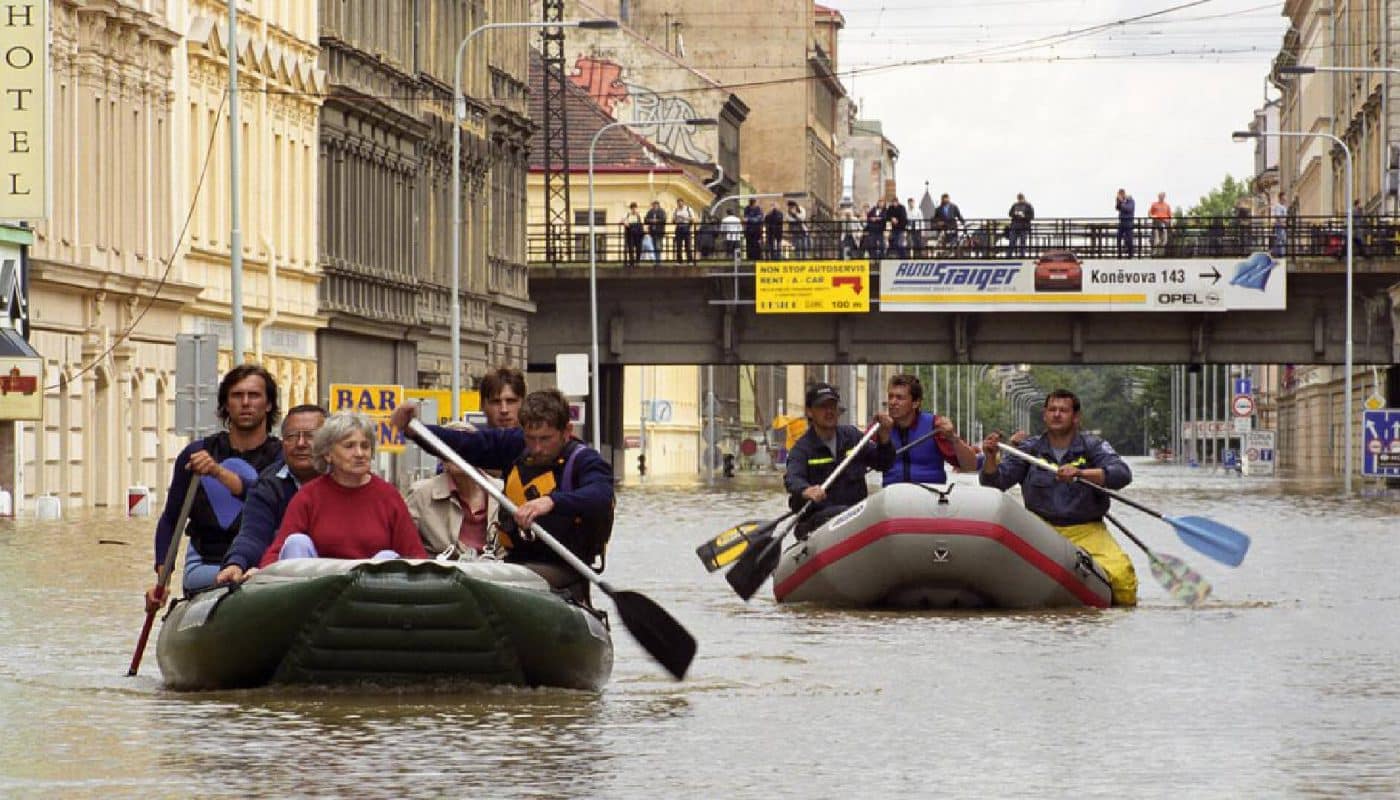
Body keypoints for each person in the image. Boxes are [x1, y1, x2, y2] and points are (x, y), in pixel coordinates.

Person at [392, 389, 615, 605]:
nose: (536, 448)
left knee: (496, 582)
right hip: (513, 560)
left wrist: (552, 501)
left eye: (545, 439)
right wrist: (415, 431)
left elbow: (600, 495)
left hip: (565, 567)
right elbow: (465, 443)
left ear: (566, 431)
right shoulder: (516, 445)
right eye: (531, 438)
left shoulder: (585, 461)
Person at [978, 390, 1138, 606]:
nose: (1056, 414)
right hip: (1040, 529)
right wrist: (990, 458)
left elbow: (1121, 474)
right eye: (1052, 410)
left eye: (1063, 410)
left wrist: (1081, 473)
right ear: (1044, 415)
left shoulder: (1093, 446)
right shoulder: (1029, 449)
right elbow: (994, 483)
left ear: (1076, 417)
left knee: (1124, 582)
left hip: (1087, 529)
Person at [145, 365, 282, 610]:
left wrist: (218, 472)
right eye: (237, 396)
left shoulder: (281, 457)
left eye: (254, 395)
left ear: (269, 404)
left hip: (261, 568)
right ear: (226, 405)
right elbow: (171, 519)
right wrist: (161, 580)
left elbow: (260, 495)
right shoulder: (196, 453)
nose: (246, 403)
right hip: (206, 564)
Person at [259, 411, 427, 566]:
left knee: (387, 557)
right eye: (349, 446)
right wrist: (259, 574)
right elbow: (279, 549)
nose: (360, 453)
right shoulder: (309, 496)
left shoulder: (388, 496)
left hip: (370, 591)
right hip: (318, 589)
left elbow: (415, 556)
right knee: (296, 542)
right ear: (328, 454)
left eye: (365, 446)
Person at [214, 404, 327, 585]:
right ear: (283, 443)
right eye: (292, 436)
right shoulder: (268, 485)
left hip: (341, 575)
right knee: (296, 544)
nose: (301, 443)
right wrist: (236, 563)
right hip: (289, 582)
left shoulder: (347, 479)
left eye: (311, 436)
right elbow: (253, 535)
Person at [783, 382, 894, 537]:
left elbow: (884, 463)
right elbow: (792, 478)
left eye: (832, 406)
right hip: (819, 522)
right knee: (839, 513)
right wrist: (806, 490)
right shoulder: (802, 449)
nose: (829, 412)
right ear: (809, 412)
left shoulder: (853, 437)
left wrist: (884, 437)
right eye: (822, 407)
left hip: (855, 515)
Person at [406, 422, 494, 559]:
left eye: (465, 448)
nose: (456, 454)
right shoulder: (421, 495)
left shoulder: (502, 492)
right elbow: (404, 547)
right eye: (449, 448)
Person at [881, 374, 977, 486]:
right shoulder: (881, 427)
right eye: (890, 397)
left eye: (899, 398)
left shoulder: (935, 426)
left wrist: (953, 438)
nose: (892, 402)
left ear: (915, 403)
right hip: (892, 496)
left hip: (930, 497)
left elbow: (971, 466)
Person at [1007, 193, 1034, 258]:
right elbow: (1010, 214)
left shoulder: (1028, 205)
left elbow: (1032, 216)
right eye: (1019, 198)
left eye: (1020, 198)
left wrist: (1024, 216)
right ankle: (1009, 255)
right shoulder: (1015, 205)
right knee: (1012, 242)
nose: (1019, 199)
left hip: (1024, 227)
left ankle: (1022, 256)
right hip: (1014, 227)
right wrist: (1015, 214)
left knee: (1022, 243)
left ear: (1023, 198)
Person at [1115, 189, 1136, 257]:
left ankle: (1130, 254)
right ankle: (1119, 254)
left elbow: (1128, 209)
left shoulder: (1130, 201)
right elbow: (1117, 208)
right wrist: (1118, 200)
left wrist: (1122, 201)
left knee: (1129, 238)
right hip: (1122, 222)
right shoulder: (1122, 201)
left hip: (1128, 222)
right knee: (1118, 237)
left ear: (1124, 194)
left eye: (1121, 194)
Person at [673, 198, 695, 263]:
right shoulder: (676, 210)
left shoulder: (688, 209)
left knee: (688, 245)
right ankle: (679, 261)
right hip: (679, 227)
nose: (679, 204)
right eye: (678, 203)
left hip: (686, 227)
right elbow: (673, 220)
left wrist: (684, 218)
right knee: (678, 245)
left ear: (683, 202)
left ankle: (690, 260)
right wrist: (675, 219)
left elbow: (693, 219)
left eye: (680, 202)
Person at [622, 202, 644, 267]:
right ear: (631, 209)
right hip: (630, 233)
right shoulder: (627, 214)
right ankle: (631, 262)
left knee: (638, 248)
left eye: (635, 208)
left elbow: (642, 223)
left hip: (638, 233)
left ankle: (638, 262)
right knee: (631, 248)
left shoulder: (639, 215)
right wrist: (625, 223)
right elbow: (622, 220)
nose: (634, 210)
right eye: (633, 208)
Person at [1269, 192, 1288, 257]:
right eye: (1284, 197)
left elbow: (1285, 217)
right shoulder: (1278, 206)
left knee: (1283, 240)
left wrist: (1285, 223)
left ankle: (1278, 253)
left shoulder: (1284, 207)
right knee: (1280, 239)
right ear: (1281, 198)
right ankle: (1278, 254)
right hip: (1279, 226)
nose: (1285, 199)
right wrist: (1282, 223)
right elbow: (1277, 216)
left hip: (1283, 226)